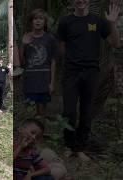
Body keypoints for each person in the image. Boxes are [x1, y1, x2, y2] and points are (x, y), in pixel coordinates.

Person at [58, 0, 121, 161]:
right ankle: (69, 145)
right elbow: (61, 47)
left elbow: (115, 43)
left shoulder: (98, 21)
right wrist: (72, 61)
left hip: (91, 73)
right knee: (69, 111)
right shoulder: (65, 22)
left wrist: (112, 24)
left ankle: (80, 148)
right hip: (71, 73)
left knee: (86, 112)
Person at [19, 9, 57, 117]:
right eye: (35, 18)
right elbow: (22, 62)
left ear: (45, 22)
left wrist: (52, 83)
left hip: (44, 81)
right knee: (30, 112)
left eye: (41, 18)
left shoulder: (50, 39)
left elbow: (53, 62)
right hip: (30, 81)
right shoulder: (26, 37)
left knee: (41, 112)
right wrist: (23, 44)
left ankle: (40, 133)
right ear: (31, 21)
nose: (38, 21)